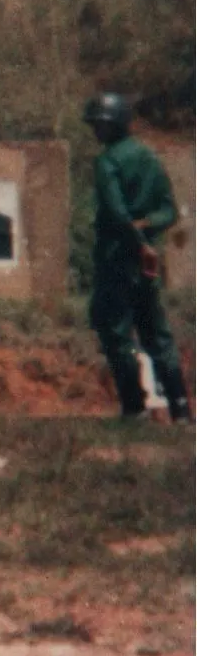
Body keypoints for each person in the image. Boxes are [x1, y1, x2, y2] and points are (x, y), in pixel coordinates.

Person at [82, 93, 191, 424]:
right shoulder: (148, 157)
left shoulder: (107, 161)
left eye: (101, 124)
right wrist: (147, 233)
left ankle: (135, 407)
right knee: (156, 334)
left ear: (115, 125)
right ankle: (181, 408)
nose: (97, 131)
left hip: (118, 257)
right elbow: (169, 211)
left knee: (115, 332)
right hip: (148, 265)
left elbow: (116, 212)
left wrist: (137, 240)